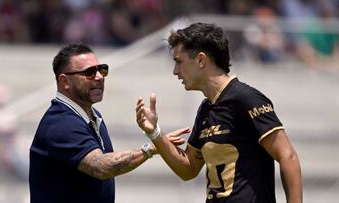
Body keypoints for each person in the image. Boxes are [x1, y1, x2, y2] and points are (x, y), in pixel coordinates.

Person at [136, 22, 302, 202]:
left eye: (178, 61)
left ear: (201, 60)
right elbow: (188, 169)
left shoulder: (246, 98)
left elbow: (288, 156)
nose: (175, 71)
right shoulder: (206, 109)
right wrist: (154, 133)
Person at [29, 43, 185, 203]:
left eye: (101, 69)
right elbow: (102, 167)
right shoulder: (61, 123)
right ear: (65, 82)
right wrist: (152, 148)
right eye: (89, 72)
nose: (99, 76)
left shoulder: (92, 116)